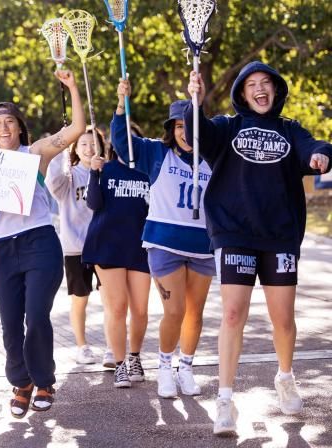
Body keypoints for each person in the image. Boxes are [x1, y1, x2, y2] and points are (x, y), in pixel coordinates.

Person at [186, 61, 332, 436]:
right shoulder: (226, 127)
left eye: (266, 82)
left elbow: (315, 145)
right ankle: (224, 400)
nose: (260, 88)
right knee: (233, 315)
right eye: (252, 84)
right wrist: (194, 102)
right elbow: (196, 133)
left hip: (279, 235)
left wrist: (321, 156)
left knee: (282, 320)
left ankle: (285, 376)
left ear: (276, 89)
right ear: (242, 93)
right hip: (233, 233)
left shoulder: (289, 130)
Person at [0, 69, 85, 418]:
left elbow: (76, 129)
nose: (4, 128)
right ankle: (21, 383)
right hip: (3, 248)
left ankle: (44, 381)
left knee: (36, 316)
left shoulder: (33, 153)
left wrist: (72, 87)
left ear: (19, 127)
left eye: (10, 122)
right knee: (9, 322)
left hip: (39, 243)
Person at [111, 80, 215, 398]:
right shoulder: (156, 153)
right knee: (174, 311)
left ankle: (186, 367)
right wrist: (120, 103)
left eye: (191, 125)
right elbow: (121, 142)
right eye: (179, 126)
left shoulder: (215, 157)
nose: (185, 132)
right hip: (164, 243)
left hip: (202, 246)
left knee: (195, 313)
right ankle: (165, 368)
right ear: (171, 129)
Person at [82, 123, 151, 389]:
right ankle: (120, 363)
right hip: (107, 245)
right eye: (122, 140)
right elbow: (93, 204)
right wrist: (93, 173)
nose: (127, 144)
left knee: (141, 310)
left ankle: (134, 357)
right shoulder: (105, 169)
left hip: (140, 247)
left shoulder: (148, 173)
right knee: (118, 307)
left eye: (133, 139)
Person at [46, 127, 100, 365]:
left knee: (113, 298)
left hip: (105, 246)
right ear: (76, 149)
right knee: (80, 297)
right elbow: (53, 180)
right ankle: (82, 345)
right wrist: (60, 149)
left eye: (93, 144)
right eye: (84, 144)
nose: (89, 149)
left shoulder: (106, 173)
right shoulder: (69, 178)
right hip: (76, 247)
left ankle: (112, 348)